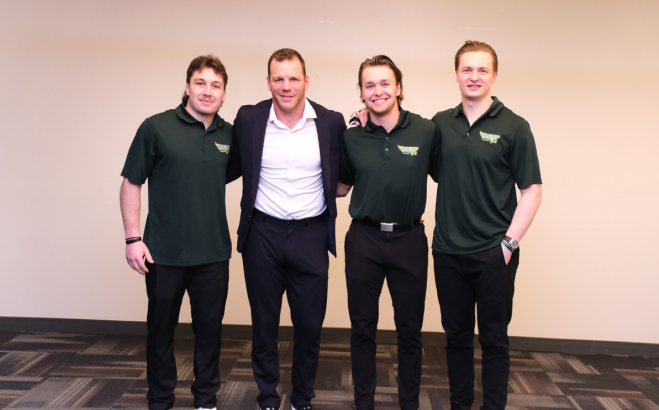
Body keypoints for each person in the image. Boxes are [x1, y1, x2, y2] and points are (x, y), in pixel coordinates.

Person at [226, 48, 346, 410]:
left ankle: (301, 398)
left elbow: (345, 177)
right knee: (264, 324)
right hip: (262, 232)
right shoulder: (248, 119)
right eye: (278, 78)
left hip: (310, 235)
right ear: (268, 82)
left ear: (306, 81)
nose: (286, 86)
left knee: (309, 326)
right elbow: (225, 165)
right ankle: (266, 397)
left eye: (294, 78)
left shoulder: (331, 122)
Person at [431, 41, 543, 410]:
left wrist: (508, 245)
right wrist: (363, 116)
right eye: (467, 69)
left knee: (494, 339)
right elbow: (403, 140)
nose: (474, 76)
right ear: (457, 74)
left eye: (482, 70)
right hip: (447, 251)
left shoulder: (514, 126)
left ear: (494, 75)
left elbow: (531, 190)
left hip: (493, 253)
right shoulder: (440, 124)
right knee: (457, 338)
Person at [119, 55, 232, 410]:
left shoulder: (229, 135)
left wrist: (360, 120)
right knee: (161, 332)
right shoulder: (156, 127)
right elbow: (131, 182)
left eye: (215, 85)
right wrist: (133, 238)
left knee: (210, 334)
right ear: (187, 87)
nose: (207, 91)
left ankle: (205, 400)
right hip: (163, 254)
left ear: (224, 93)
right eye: (200, 83)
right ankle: (161, 399)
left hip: (213, 254)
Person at [337, 55, 441, 410]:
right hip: (363, 240)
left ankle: (408, 403)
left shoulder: (426, 131)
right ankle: (363, 402)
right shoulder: (351, 137)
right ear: (361, 93)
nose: (378, 91)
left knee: (409, 331)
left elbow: (451, 174)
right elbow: (339, 188)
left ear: (399, 87)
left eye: (385, 83)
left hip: (409, 240)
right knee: (362, 329)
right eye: (369, 85)